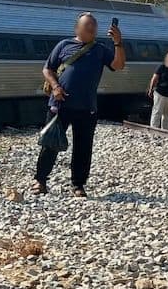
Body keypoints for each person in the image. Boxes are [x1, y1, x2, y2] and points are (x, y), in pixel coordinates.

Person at [33, 12, 125, 198]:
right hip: (60, 104)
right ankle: (40, 181)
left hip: (87, 107)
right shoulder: (63, 45)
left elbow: (118, 65)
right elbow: (47, 69)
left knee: (83, 147)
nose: (91, 28)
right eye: (87, 25)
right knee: (50, 143)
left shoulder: (100, 50)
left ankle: (78, 185)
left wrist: (118, 43)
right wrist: (56, 86)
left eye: (94, 25)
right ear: (77, 28)